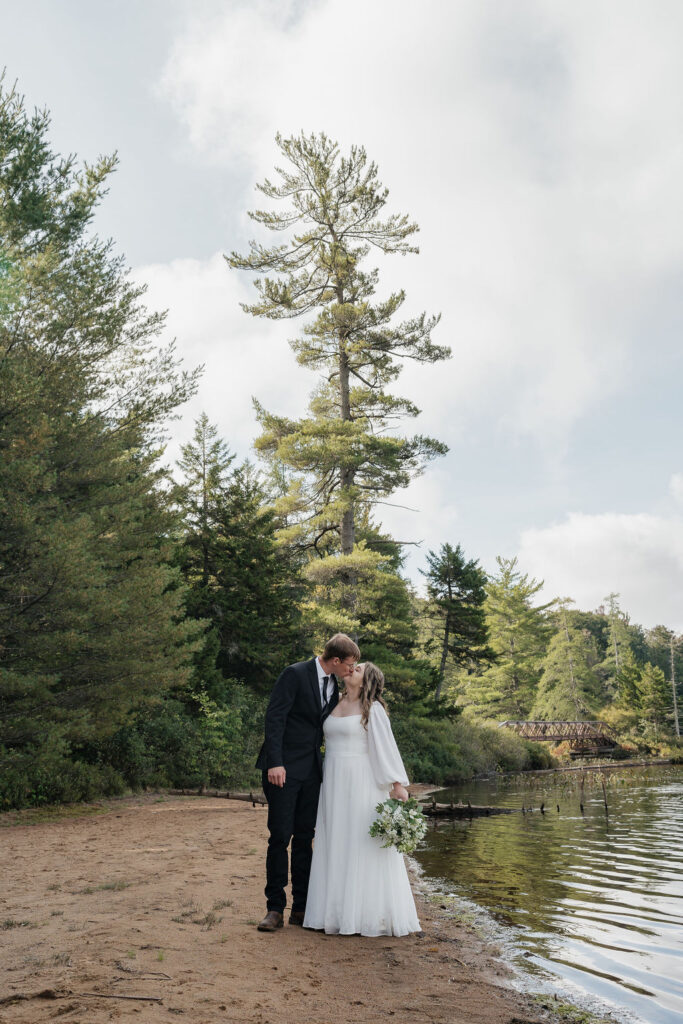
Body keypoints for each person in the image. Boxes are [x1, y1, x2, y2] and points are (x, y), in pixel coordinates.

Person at [303, 661, 421, 936]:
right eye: (353, 666)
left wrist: (397, 785)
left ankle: (364, 915)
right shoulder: (332, 700)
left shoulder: (374, 710)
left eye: (358, 669)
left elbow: (386, 746)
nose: (352, 669)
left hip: (361, 782)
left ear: (366, 681)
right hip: (332, 781)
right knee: (335, 841)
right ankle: (332, 913)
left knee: (360, 844)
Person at [255, 633, 360, 932]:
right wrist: (275, 762)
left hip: (313, 772)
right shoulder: (295, 673)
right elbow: (275, 718)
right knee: (280, 838)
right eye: (350, 665)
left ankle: (302, 907)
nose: (352, 670)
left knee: (305, 839)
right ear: (336, 660)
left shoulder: (333, 683)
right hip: (283, 770)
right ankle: (274, 908)